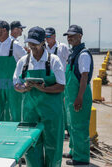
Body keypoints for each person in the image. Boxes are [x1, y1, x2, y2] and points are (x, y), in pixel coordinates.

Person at [13, 26, 65, 167]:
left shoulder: (54, 60)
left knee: (53, 147)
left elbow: (61, 86)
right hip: (30, 113)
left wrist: (44, 88)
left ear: (43, 42)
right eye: (30, 43)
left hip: (51, 112)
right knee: (31, 147)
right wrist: (24, 88)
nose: (32, 46)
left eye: (35, 43)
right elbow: (16, 84)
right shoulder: (23, 62)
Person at [62, 25, 93, 165]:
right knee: (72, 126)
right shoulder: (73, 52)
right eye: (68, 35)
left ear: (80, 36)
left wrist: (79, 97)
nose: (70, 38)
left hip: (79, 96)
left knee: (80, 127)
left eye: (73, 35)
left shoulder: (83, 54)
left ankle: (81, 158)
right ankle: (74, 151)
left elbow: (84, 77)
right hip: (71, 96)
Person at [0, 20, 27, 122]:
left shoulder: (15, 45)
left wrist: (21, 79)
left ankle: (17, 132)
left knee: (15, 109)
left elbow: (26, 62)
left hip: (12, 83)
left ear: (4, 30)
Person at [45, 27, 70, 139]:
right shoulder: (43, 48)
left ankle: (67, 129)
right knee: (51, 105)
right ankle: (54, 128)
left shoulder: (62, 47)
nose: (47, 38)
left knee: (64, 107)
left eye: (49, 36)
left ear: (54, 36)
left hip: (61, 80)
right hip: (49, 81)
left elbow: (69, 62)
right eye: (45, 36)